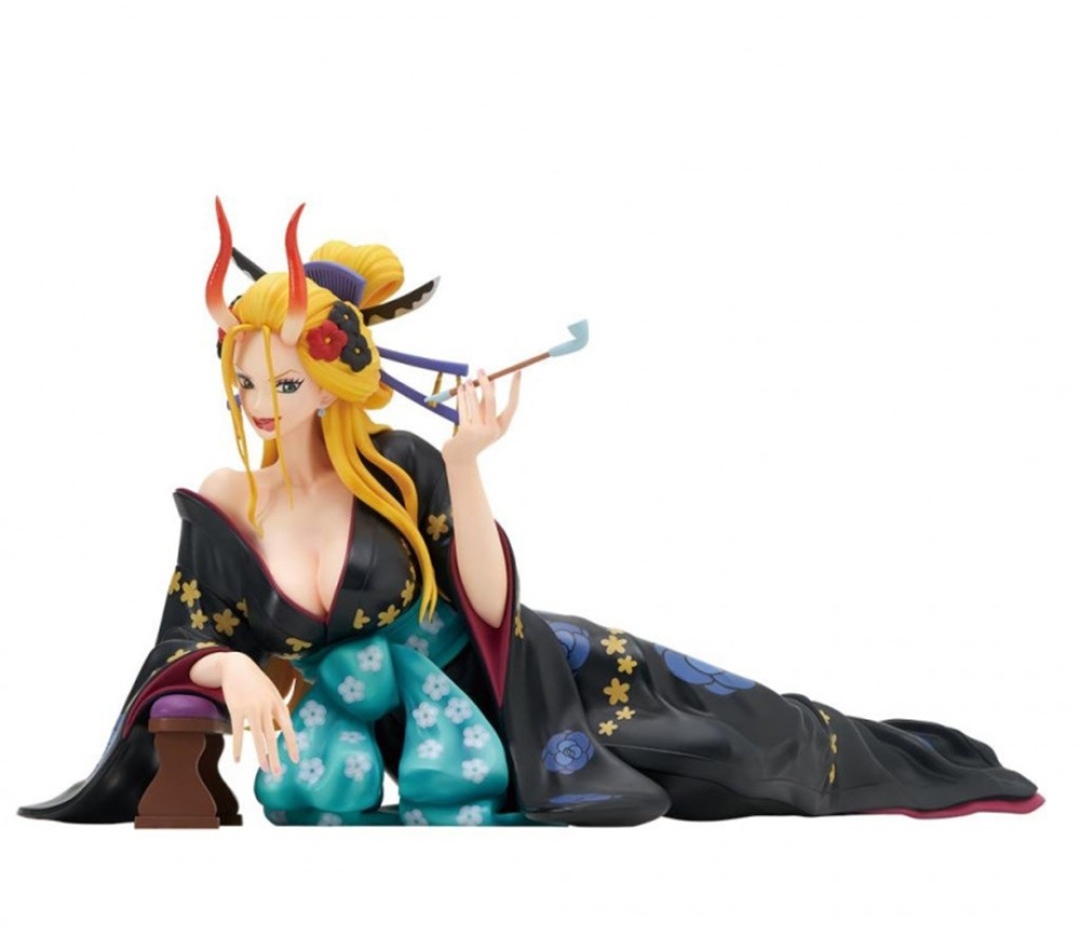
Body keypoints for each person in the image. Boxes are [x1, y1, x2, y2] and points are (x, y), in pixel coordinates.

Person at [18, 202, 1043, 827]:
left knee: (736, 740)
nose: (258, 404)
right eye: (244, 382)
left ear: (332, 381)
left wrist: (465, 465)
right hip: (375, 732)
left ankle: (906, 760)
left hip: (511, 687)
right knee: (312, 795)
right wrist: (231, 668)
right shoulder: (229, 496)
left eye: (283, 383)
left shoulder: (402, 468)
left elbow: (489, 605)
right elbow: (186, 632)